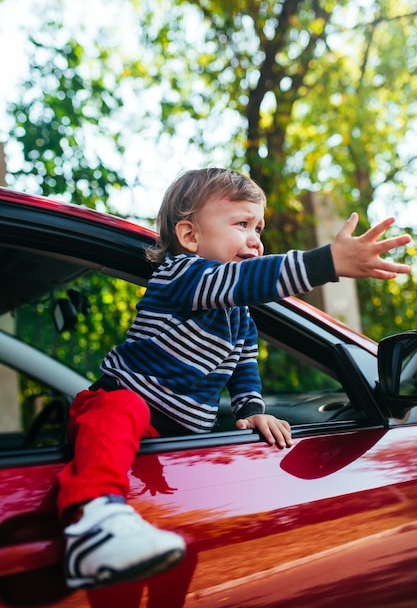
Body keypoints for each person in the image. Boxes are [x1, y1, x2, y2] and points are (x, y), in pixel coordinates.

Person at [58, 167, 411, 590]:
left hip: (174, 438)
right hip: (123, 406)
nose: (255, 239)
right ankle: (94, 523)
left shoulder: (238, 313)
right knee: (122, 408)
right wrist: (327, 262)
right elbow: (246, 280)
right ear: (190, 237)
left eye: (258, 227)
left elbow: (242, 363)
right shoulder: (181, 277)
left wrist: (252, 410)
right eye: (241, 224)